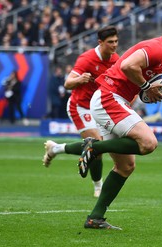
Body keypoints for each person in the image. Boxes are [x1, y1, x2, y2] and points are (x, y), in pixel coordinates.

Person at [43, 19, 162, 230]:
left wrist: (151, 91)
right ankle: (94, 146)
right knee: (148, 143)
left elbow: (137, 83)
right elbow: (127, 66)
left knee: (126, 166)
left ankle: (95, 218)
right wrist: (146, 85)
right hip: (109, 97)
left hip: (114, 100)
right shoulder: (157, 48)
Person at [43, 26, 120, 198]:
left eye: (116, 41)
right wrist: (79, 79)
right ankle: (98, 187)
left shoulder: (116, 59)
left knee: (98, 147)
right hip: (81, 106)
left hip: (100, 108)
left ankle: (55, 149)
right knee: (96, 144)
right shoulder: (87, 59)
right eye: (110, 42)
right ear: (100, 43)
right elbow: (67, 83)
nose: (114, 45)